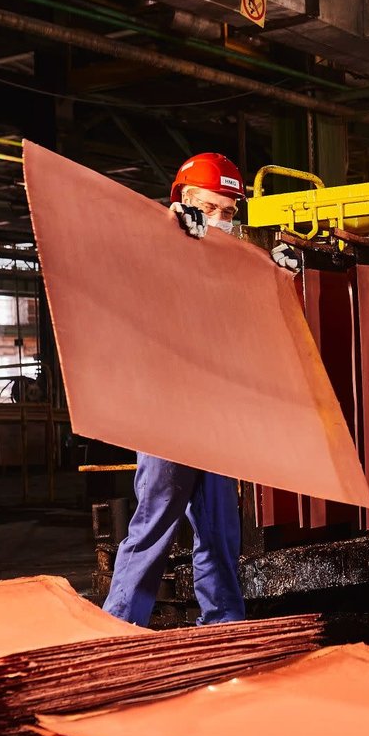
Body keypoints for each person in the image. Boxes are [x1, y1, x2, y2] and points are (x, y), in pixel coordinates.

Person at [101, 152, 254, 627]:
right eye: (209, 207)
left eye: (228, 212)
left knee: (220, 529)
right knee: (155, 524)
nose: (219, 219)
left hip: (216, 412)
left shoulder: (225, 261)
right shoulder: (152, 243)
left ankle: (224, 622)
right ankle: (121, 627)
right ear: (183, 200)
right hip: (166, 410)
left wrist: (279, 273)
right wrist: (169, 234)